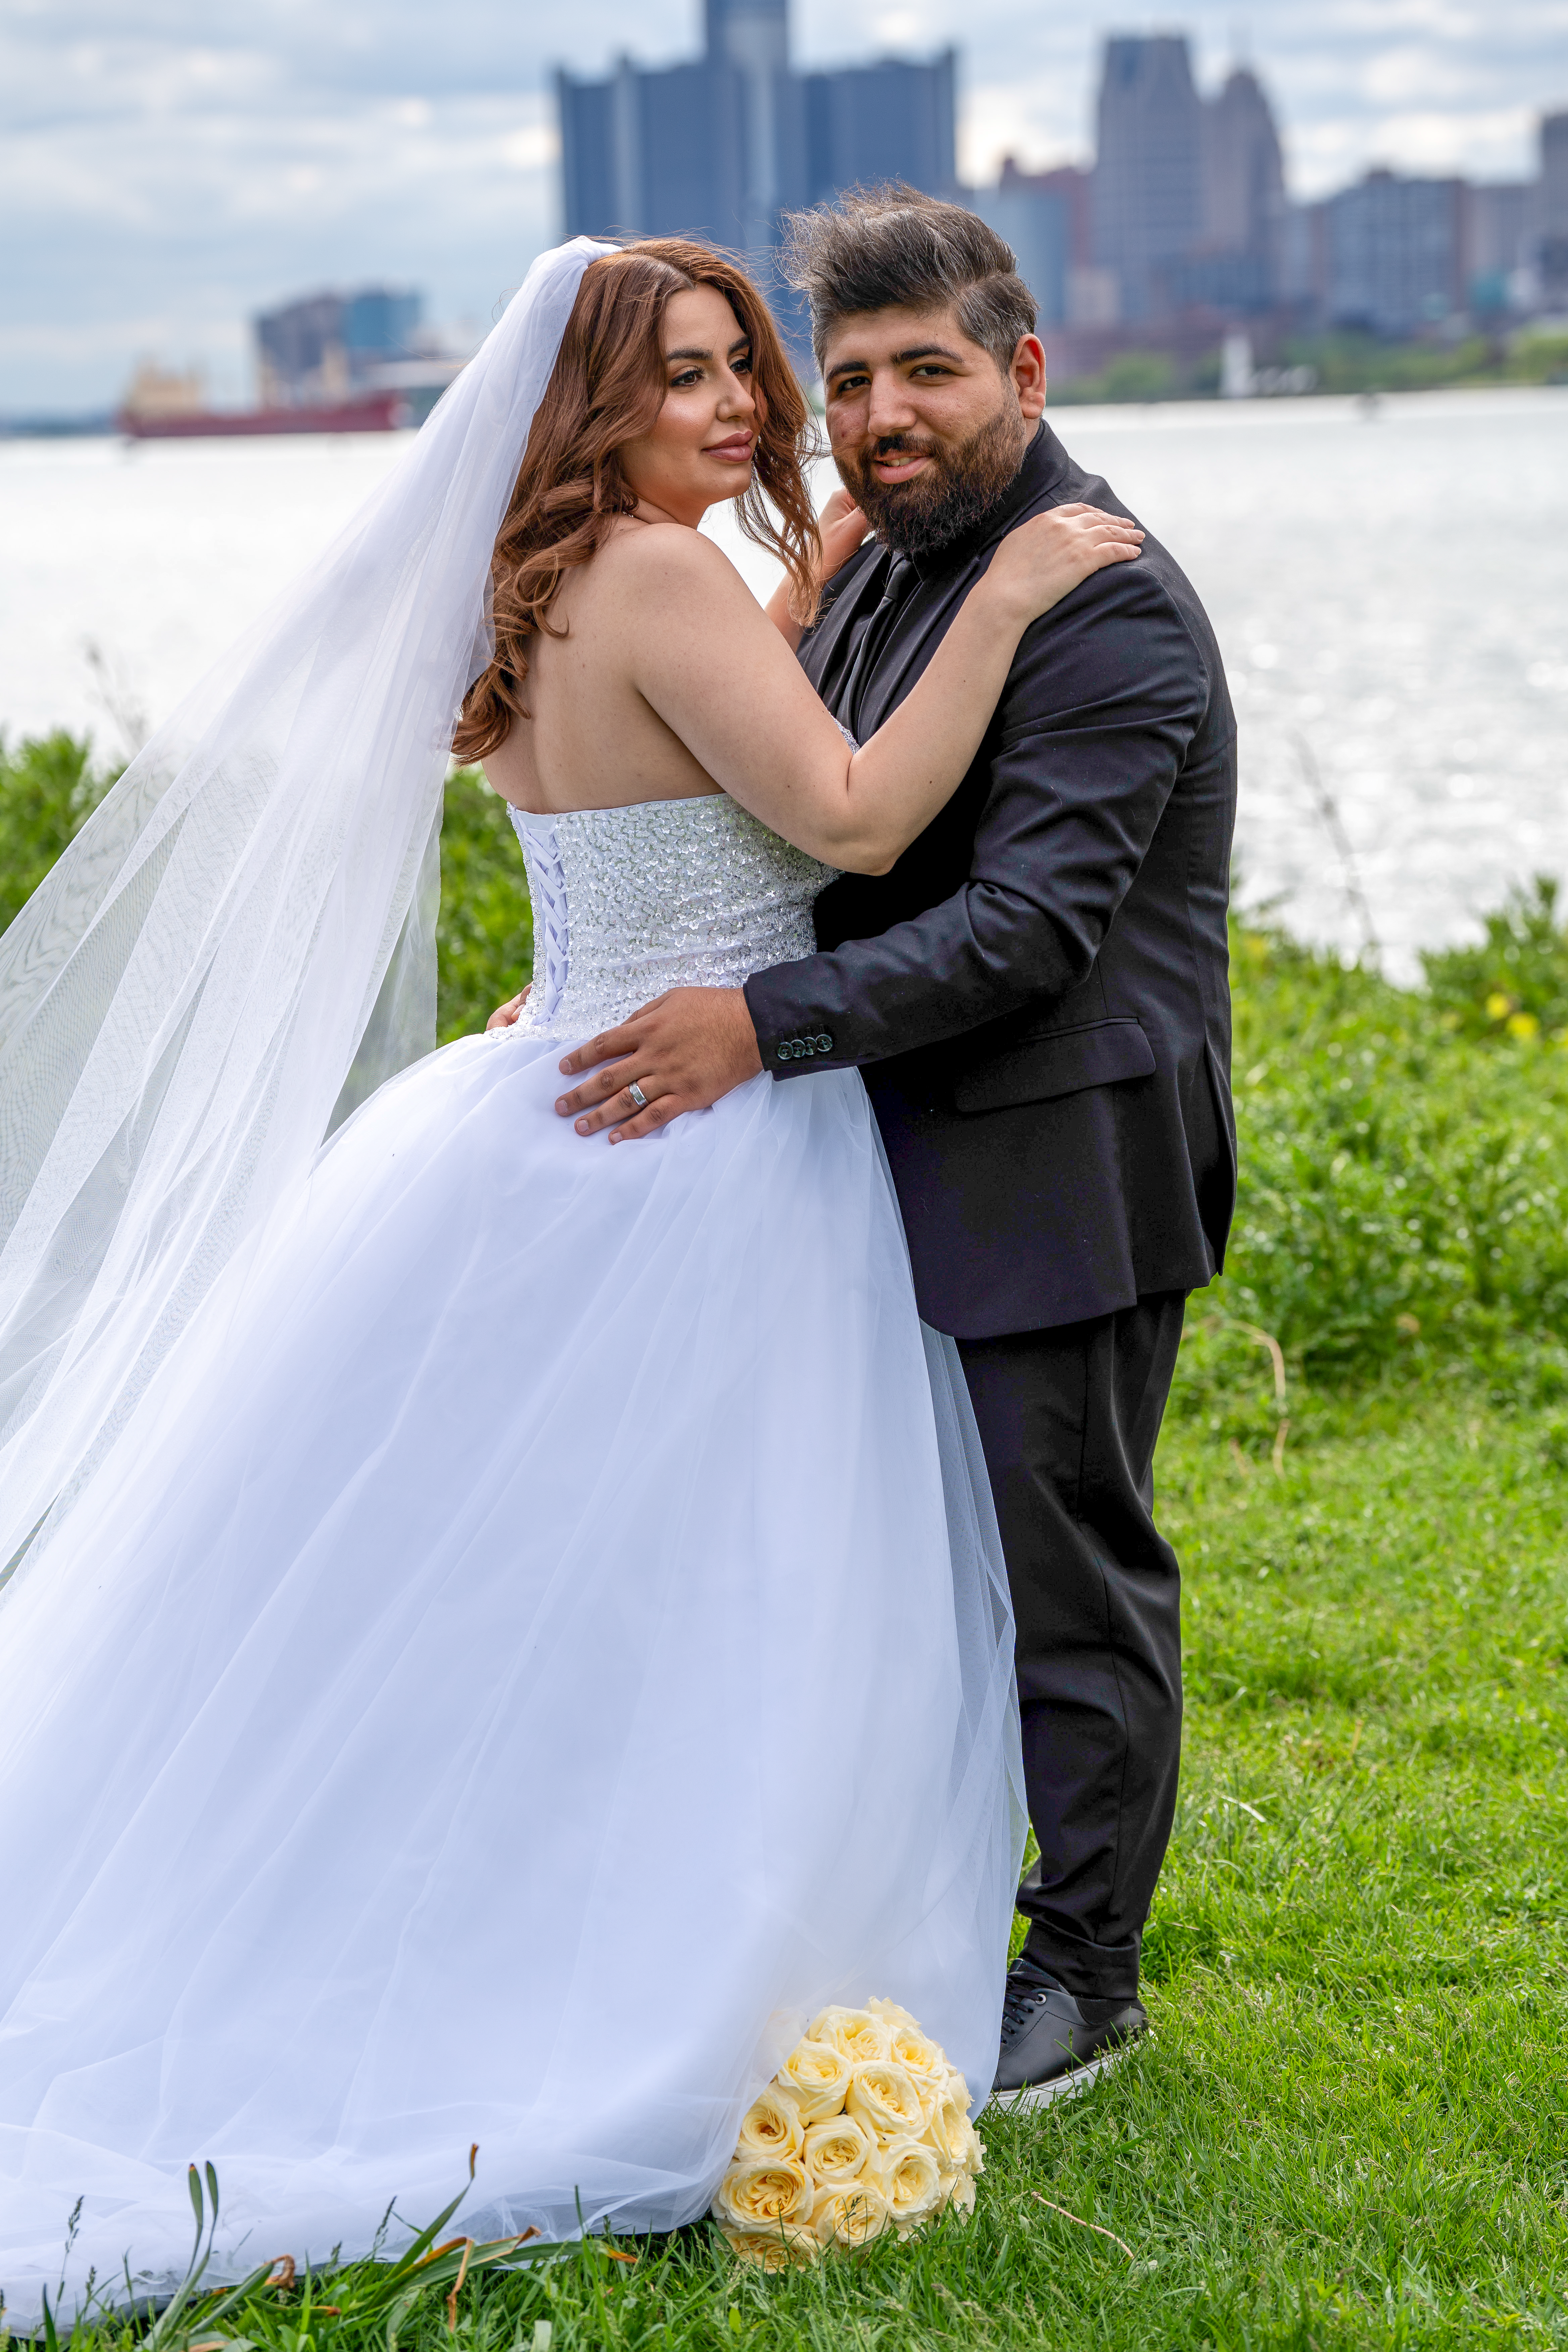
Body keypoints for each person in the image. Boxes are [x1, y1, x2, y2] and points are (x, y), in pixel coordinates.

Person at [0, 238, 1140, 2321]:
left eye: (739, 371)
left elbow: (682, 779)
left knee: (516, 1584)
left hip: (543, 1100)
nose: (734, 408)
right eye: (681, 379)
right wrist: (1014, 591)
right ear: (588, 411)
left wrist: (794, 593)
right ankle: (659, 1967)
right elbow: (864, 819)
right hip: (702, 1143)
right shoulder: (667, 576)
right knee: (719, 1582)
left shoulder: (550, 589)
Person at [539, 191, 1238, 2106]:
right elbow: (795, 811)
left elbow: (1031, 929)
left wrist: (747, 1022)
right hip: (862, 1148)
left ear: (1025, 367)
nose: (879, 414)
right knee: (889, 1568)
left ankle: (1085, 1973)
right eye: (847, 380)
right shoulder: (885, 560)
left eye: (926, 370)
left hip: (1050, 1152)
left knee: (1060, 1567)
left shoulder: (1099, 598)